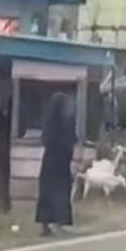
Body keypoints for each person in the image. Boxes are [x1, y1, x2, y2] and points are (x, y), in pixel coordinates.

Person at [36, 92, 76, 237]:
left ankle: (46, 224)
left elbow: (45, 140)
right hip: (61, 162)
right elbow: (70, 142)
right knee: (60, 192)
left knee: (47, 193)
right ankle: (60, 222)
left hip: (49, 162)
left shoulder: (49, 123)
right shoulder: (65, 124)